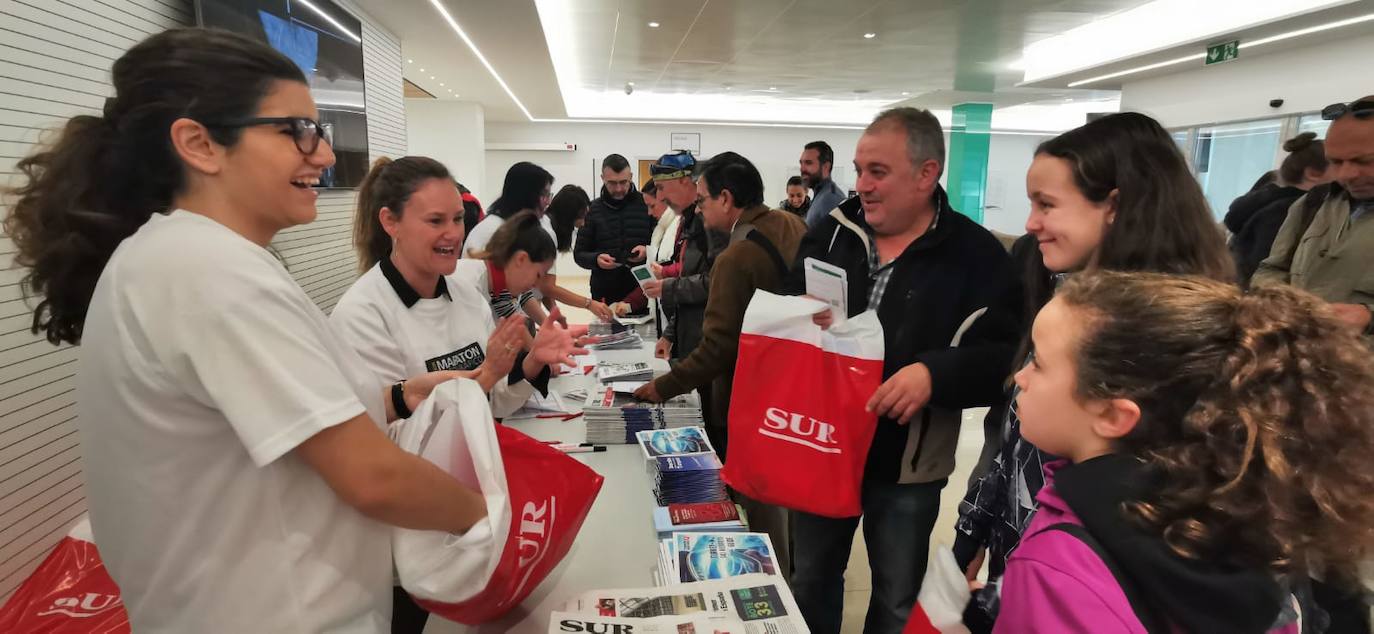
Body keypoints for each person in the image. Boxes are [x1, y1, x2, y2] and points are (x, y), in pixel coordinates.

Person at [2, 28, 489, 631]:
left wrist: (394, 398)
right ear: (200, 143)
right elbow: (372, 477)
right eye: (297, 131)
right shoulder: (204, 269)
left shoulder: (189, 258)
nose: (326, 154)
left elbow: (266, 429)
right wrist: (491, 516)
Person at [952, 111, 1236, 632]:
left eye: (1047, 204)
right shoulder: (1063, 289)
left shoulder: (1169, 335)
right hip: (1029, 554)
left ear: (1115, 207)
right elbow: (1012, 436)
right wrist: (975, 531)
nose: (1031, 221)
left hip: (1084, 579)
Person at [996, 271, 1374, 633]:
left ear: (1113, 414)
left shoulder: (1056, 570)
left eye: (1039, 364)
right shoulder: (1246, 520)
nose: (1020, 377)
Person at [783, 107, 1023, 634]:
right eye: (859, 169)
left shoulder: (977, 257)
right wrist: (796, 311)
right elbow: (788, 293)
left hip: (908, 462)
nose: (862, 185)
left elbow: (1006, 357)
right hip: (825, 443)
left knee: (896, 600)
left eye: (878, 172)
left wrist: (935, 374)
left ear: (926, 174)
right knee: (811, 581)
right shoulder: (833, 231)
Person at [331, 157, 585, 632]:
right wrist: (484, 378)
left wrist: (531, 363)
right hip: (406, 545)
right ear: (390, 222)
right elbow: (381, 450)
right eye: (434, 221)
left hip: (474, 522)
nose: (452, 233)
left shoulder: (467, 293)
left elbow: (491, 409)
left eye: (457, 219)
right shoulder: (362, 316)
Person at [633, 152, 806, 578]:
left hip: (754, 397)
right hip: (798, 393)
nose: (701, 207)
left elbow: (717, 349)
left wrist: (662, 387)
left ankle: (771, 585)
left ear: (727, 199)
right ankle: (795, 570)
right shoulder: (792, 226)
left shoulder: (735, 258)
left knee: (760, 508)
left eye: (705, 199)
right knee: (793, 503)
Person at [1254, 96, 1374, 338]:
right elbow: (1272, 268)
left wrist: (1369, 316)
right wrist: (1279, 300)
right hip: (1303, 360)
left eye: (1365, 161)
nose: (1347, 174)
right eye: (1336, 162)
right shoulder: (1313, 203)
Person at [465, 162, 613, 321]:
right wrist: (587, 304)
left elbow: (526, 294)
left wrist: (550, 321)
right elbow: (543, 287)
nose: (548, 202)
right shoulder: (499, 230)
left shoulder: (511, 226)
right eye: (544, 194)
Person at [1225, 133, 1330, 287]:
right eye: (1338, 163)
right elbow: (1265, 268)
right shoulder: (1288, 212)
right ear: (1312, 173)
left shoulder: (1258, 203)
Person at [641, 151, 716, 363]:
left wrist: (668, 287)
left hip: (708, 344)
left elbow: (716, 283)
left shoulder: (709, 223)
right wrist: (669, 335)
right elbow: (689, 279)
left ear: (685, 181)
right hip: (689, 338)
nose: (661, 197)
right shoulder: (688, 221)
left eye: (662, 188)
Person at [574, 154, 654, 313]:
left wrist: (647, 250)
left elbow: (663, 245)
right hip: (604, 292)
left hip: (643, 290)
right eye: (612, 183)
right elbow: (579, 254)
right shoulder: (592, 210)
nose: (618, 189)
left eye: (623, 182)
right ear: (602, 178)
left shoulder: (647, 204)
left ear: (631, 177)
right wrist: (596, 260)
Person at [801, 140, 848, 228]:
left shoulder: (830, 199)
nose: (802, 169)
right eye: (801, 163)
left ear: (826, 167)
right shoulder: (820, 196)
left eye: (808, 163)